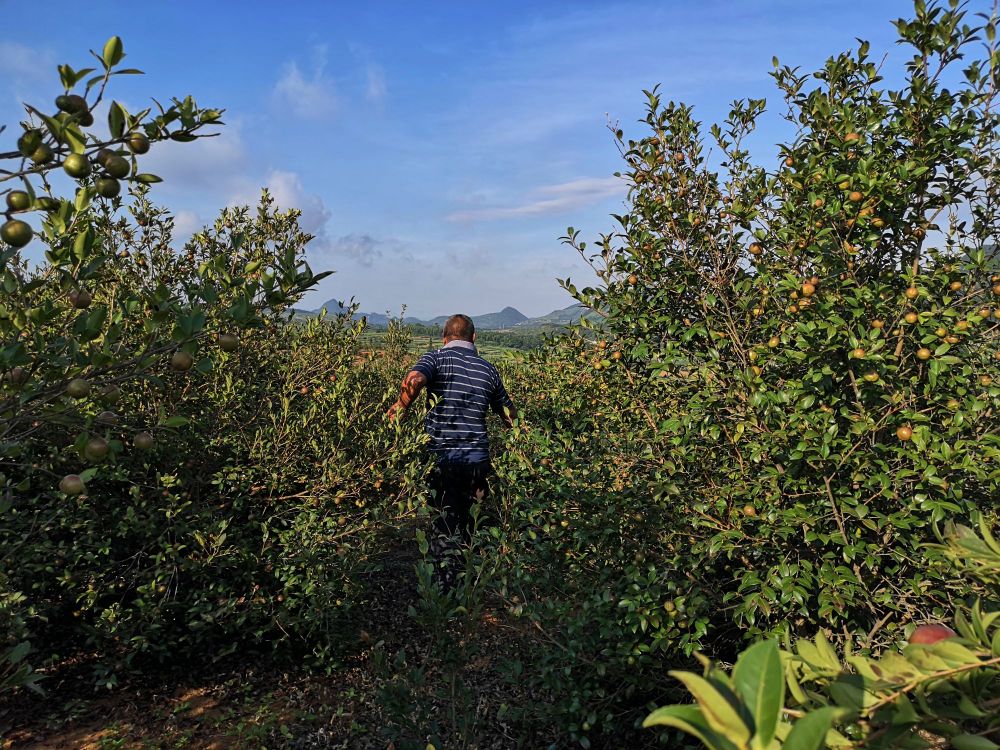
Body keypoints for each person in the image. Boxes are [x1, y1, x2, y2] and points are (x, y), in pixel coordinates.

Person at [386, 313, 516, 588]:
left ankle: (444, 590)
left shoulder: (436, 358)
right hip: (477, 461)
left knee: (444, 522)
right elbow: (508, 414)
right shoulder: (488, 369)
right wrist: (520, 438)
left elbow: (415, 378)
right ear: (474, 337)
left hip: (443, 458)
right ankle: (469, 586)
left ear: (444, 338)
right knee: (472, 522)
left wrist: (401, 406)